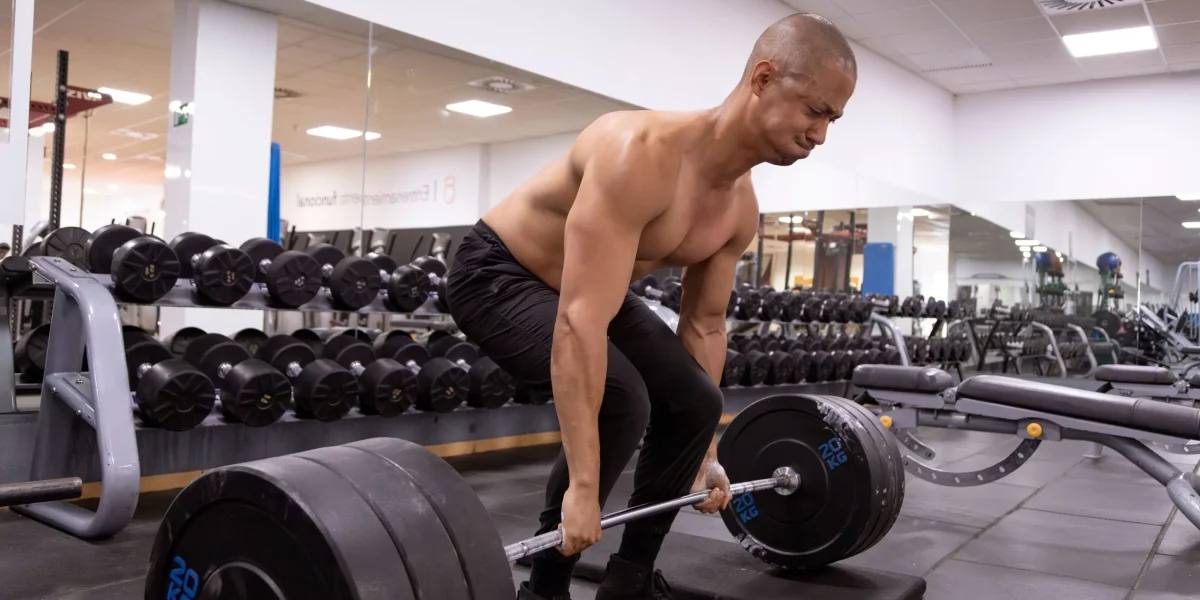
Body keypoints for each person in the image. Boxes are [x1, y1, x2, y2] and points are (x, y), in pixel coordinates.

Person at [444, 13, 857, 600]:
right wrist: (583, 490)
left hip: (580, 291)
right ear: (762, 79)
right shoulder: (637, 153)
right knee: (622, 399)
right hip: (499, 273)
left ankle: (629, 580)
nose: (820, 136)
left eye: (832, 120)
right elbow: (580, 321)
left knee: (695, 399)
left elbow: (705, 326)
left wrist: (704, 451)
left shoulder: (738, 211)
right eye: (814, 111)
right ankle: (545, 586)